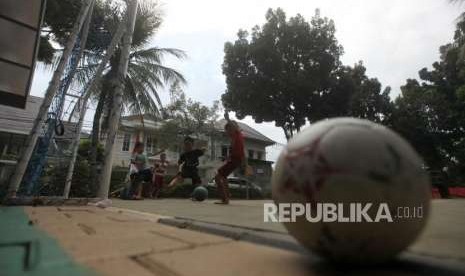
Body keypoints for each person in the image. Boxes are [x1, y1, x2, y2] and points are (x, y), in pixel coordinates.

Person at [214, 119, 246, 204]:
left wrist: (227, 118)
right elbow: (241, 151)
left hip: (235, 160)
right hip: (234, 160)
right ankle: (227, 195)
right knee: (223, 177)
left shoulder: (237, 134)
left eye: (228, 130)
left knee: (217, 177)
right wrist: (228, 157)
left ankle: (225, 199)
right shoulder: (234, 138)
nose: (227, 133)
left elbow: (234, 126)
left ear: (232, 129)